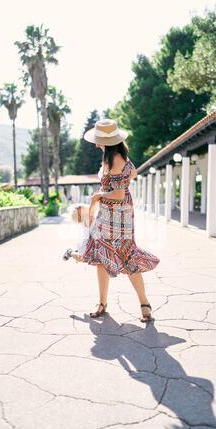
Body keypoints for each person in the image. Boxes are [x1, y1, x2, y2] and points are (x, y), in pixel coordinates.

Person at [69, 118, 160, 322]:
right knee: (103, 258)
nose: (96, 143)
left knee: (127, 257)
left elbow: (118, 195)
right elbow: (132, 174)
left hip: (116, 215)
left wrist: (99, 196)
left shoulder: (115, 160)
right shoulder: (121, 158)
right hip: (116, 213)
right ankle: (106, 303)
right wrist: (116, 187)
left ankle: (142, 303)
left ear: (107, 142)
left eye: (99, 139)